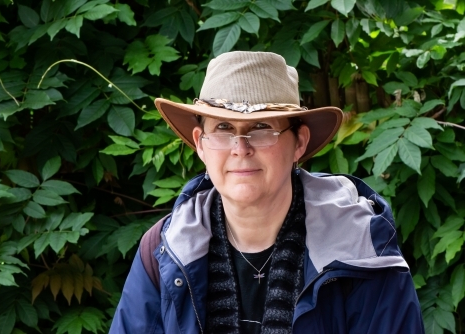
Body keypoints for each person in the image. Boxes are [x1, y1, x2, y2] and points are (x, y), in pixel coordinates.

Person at [110, 51, 424, 333]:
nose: (240, 148)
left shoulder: (363, 253)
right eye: (222, 128)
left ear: (299, 143)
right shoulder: (164, 251)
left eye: (261, 127)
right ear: (200, 144)